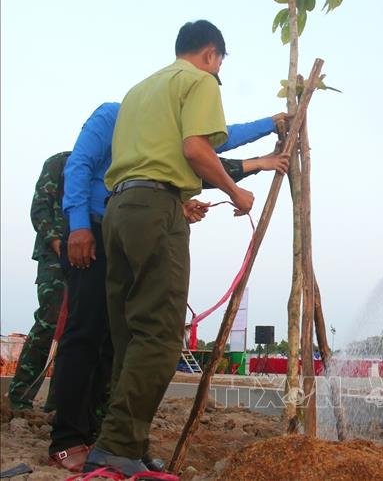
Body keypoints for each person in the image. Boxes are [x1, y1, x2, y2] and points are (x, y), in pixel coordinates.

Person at [46, 97, 288, 474]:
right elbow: (78, 166)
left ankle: (104, 436)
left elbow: (215, 142)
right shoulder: (114, 115)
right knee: (85, 333)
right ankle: (66, 438)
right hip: (94, 230)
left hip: (126, 238)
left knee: (120, 339)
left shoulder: (166, 129)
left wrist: (270, 125)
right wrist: (78, 224)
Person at [84, 20, 269, 475]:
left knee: (130, 334)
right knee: (162, 336)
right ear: (211, 54)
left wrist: (181, 200)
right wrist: (234, 191)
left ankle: (123, 443)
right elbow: (195, 150)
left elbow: (158, 155)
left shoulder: (140, 91)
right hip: (154, 211)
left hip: (120, 208)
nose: (218, 71)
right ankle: (118, 446)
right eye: (220, 63)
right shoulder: (199, 81)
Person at [8, 152, 70, 412]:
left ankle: (58, 405)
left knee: (76, 332)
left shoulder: (110, 167)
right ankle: (19, 399)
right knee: (49, 321)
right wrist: (57, 242)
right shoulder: (60, 163)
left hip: (91, 257)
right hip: (55, 256)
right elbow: (40, 208)